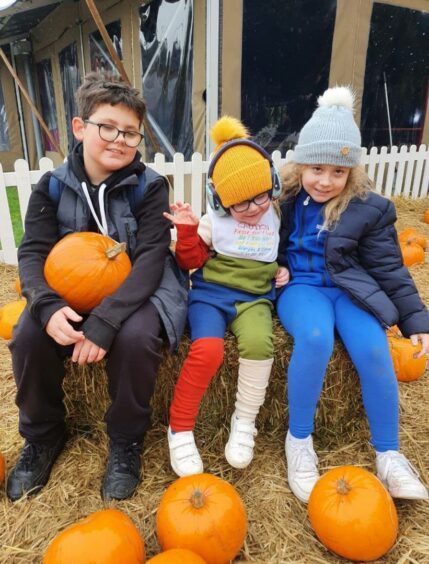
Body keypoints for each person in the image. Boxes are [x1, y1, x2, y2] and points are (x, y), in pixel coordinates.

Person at [6, 72, 187, 502]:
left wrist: (106, 320)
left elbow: (149, 262)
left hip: (139, 290)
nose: (119, 140)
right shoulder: (51, 188)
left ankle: (125, 441)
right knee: (28, 335)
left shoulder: (150, 187)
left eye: (130, 133)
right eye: (108, 127)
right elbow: (32, 254)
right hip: (71, 289)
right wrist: (47, 306)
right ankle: (43, 436)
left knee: (139, 338)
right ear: (79, 127)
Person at [276, 85, 429, 503]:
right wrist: (274, 266)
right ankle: (300, 442)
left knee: (375, 348)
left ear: (352, 172)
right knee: (314, 338)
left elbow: (389, 267)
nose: (326, 181)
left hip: (347, 290)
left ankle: (389, 453)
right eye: (317, 169)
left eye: (338, 172)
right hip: (301, 289)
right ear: (302, 164)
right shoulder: (283, 200)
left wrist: (416, 320)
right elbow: (260, 240)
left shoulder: (369, 208)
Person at [163, 116, 289, 477]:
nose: (253, 208)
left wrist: (283, 268)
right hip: (211, 296)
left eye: (260, 196)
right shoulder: (212, 222)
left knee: (259, 346)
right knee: (208, 349)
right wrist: (187, 232)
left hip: (254, 300)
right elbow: (190, 261)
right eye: (239, 204)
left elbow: (275, 250)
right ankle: (181, 426)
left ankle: (245, 421)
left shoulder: (275, 214)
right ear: (219, 202)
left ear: (273, 186)